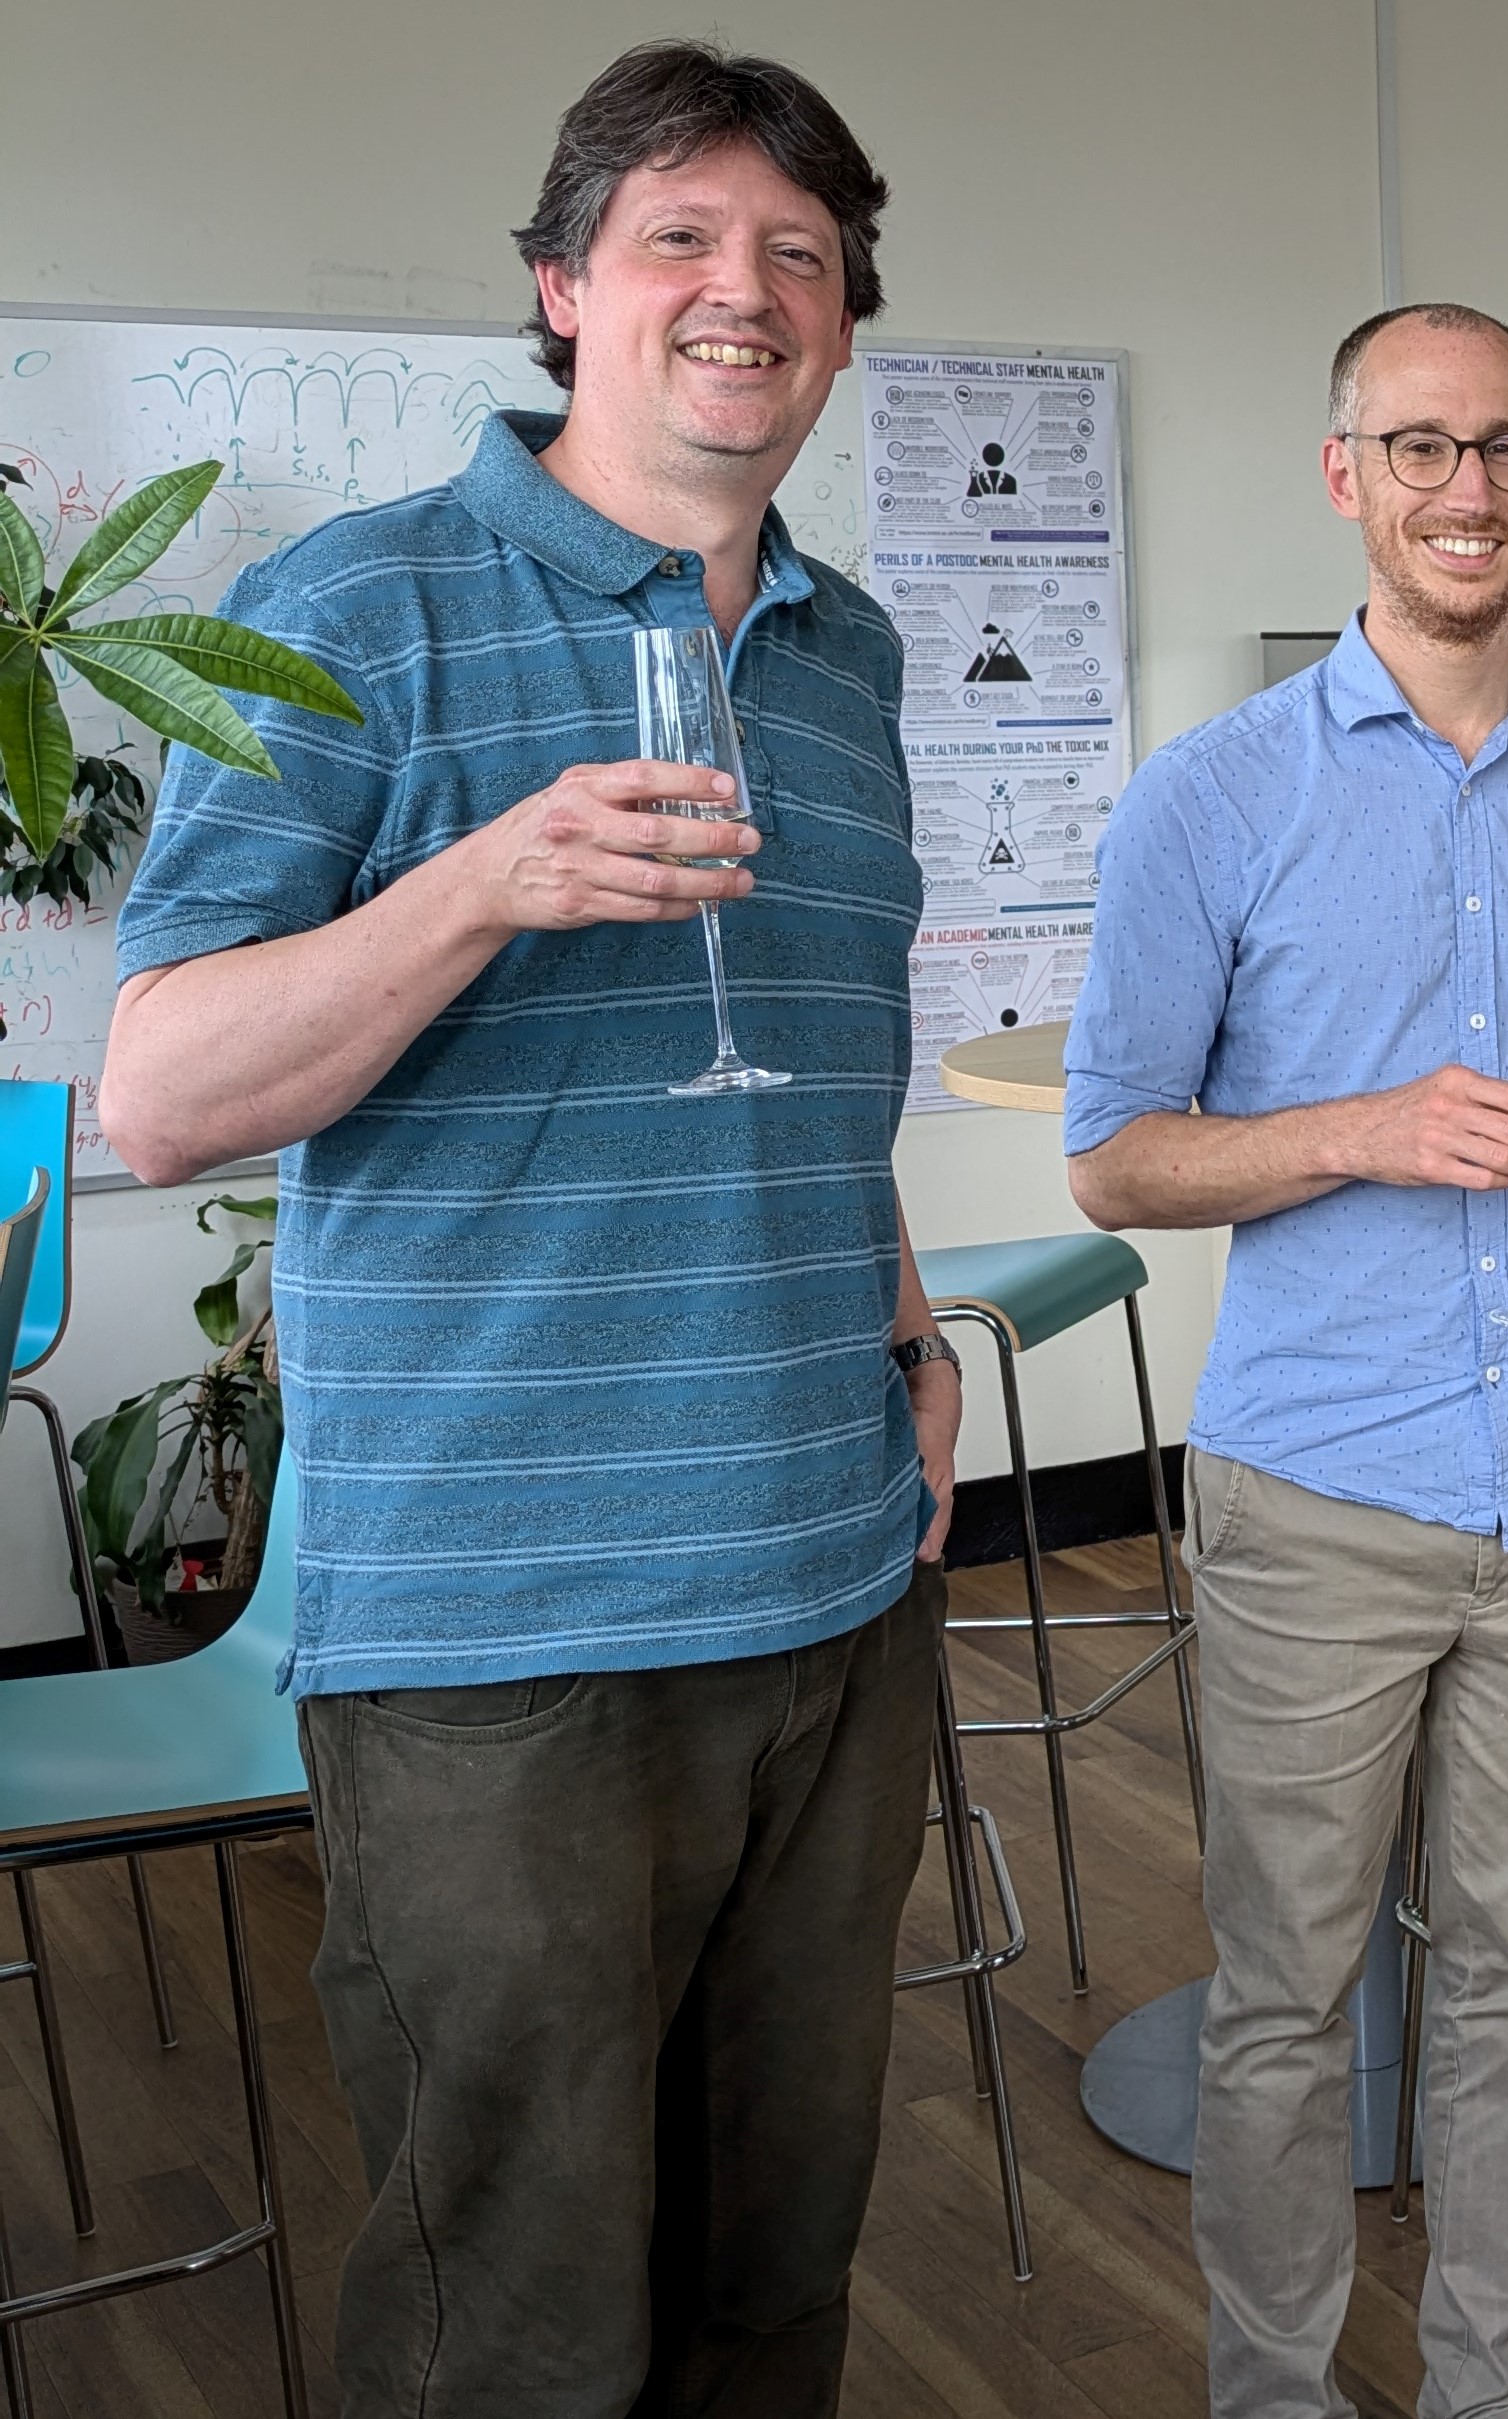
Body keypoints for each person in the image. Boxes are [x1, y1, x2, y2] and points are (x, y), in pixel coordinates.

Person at [100, 43, 959, 2412]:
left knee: (775, 2279)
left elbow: (823, 1064)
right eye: (682, 235)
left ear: (845, 324)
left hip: (830, 1591)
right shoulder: (354, 609)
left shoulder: (857, 656)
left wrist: (906, 1330)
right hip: (506, 1642)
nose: (744, 290)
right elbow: (163, 1093)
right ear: (565, 287)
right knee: (520, 2324)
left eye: (801, 252)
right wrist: (485, 884)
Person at [1064, 302, 1508, 2419]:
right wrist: (1366, 1126)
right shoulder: (1214, 799)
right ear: (1347, 475)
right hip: (1322, 1499)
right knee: (1284, 2001)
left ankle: (1487, 2393)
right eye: (1424, 449)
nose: (1472, 491)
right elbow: (1115, 1158)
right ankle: (1275, 2396)